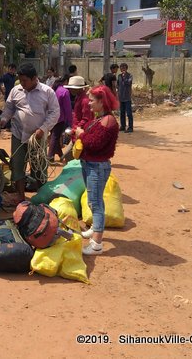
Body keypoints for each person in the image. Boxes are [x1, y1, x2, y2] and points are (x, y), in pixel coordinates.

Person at [0, 63, 60, 204]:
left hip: (37, 137)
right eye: (21, 80)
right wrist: (3, 119)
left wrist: (43, 129)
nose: (22, 83)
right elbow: (9, 108)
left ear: (34, 79)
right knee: (17, 165)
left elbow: (55, 113)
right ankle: (20, 195)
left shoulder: (47, 92)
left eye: (25, 80)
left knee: (39, 167)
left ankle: (41, 197)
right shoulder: (16, 90)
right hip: (18, 134)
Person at [75, 85, 119, 255]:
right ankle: (95, 228)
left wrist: (80, 134)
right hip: (90, 164)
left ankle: (96, 244)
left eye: (92, 101)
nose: (89, 104)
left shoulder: (108, 121)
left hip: (97, 167)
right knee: (93, 199)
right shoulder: (99, 118)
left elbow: (94, 143)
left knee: (96, 203)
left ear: (102, 102)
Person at [48, 76, 72, 162]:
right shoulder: (65, 91)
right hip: (60, 117)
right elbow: (67, 108)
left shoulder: (52, 89)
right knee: (55, 136)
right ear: (65, 81)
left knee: (55, 136)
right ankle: (50, 156)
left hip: (50, 116)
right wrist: (70, 121)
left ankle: (60, 155)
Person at [117, 63, 133, 133]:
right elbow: (118, 85)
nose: (122, 69)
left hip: (127, 97)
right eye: (121, 68)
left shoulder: (130, 75)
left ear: (126, 68)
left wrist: (124, 77)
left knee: (129, 113)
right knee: (122, 113)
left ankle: (130, 127)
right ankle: (123, 126)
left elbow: (128, 83)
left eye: (123, 68)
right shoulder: (119, 76)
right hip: (121, 97)